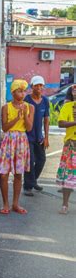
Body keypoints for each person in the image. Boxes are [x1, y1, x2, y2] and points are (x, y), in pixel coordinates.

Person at [0, 79, 34, 215]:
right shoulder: (6, 107)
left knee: (18, 174)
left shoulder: (30, 107)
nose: (22, 94)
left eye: (24, 91)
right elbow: (4, 127)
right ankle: (6, 203)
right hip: (8, 139)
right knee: (3, 174)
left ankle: (15, 203)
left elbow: (29, 128)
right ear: (13, 93)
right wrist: (17, 118)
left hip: (21, 141)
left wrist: (24, 116)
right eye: (19, 91)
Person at [23, 75, 50, 196]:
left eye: (41, 85)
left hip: (39, 137)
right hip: (28, 136)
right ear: (31, 87)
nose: (39, 87)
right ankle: (28, 186)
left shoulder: (45, 100)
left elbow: (46, 120)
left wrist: (46, 137)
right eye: (36, 85)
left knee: (41, 160)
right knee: (31, 160)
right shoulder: (26, 100)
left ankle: (31, 182)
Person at [56, 85, 76, 214]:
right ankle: (65, 204)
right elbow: (60, 123)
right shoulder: (67, 107)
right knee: (68, 178)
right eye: (74, 90)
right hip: (71, 146)